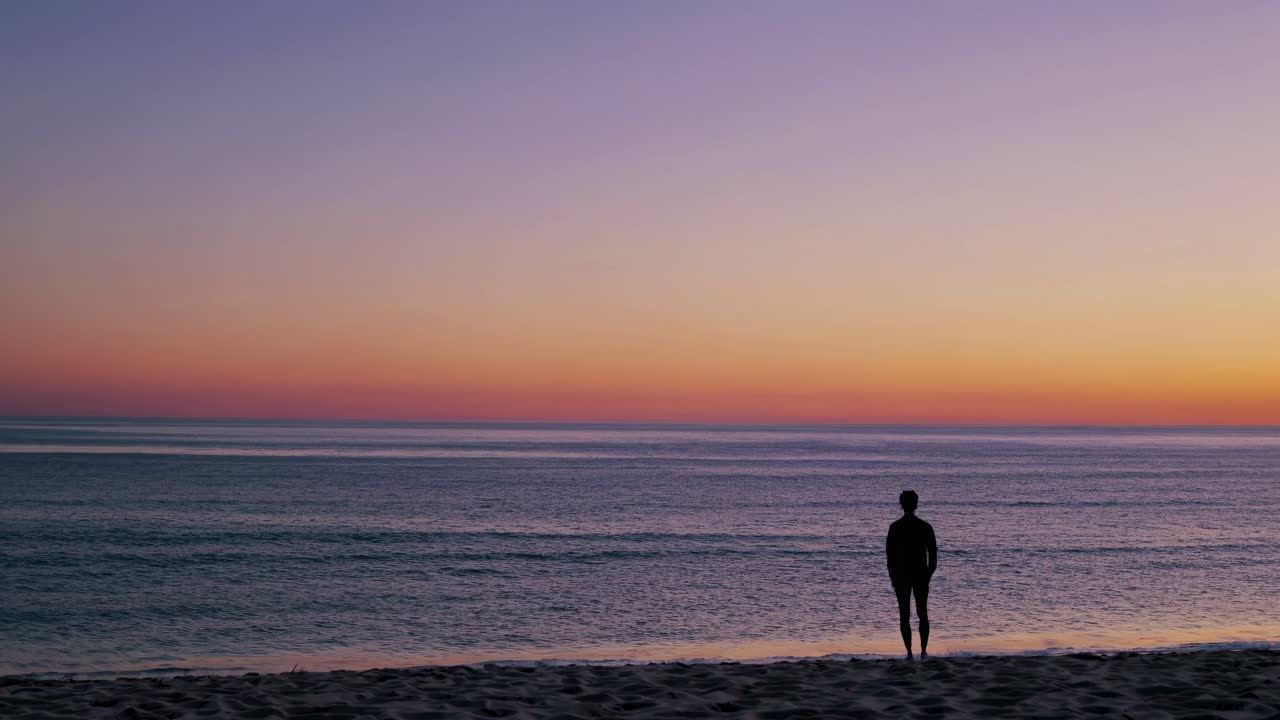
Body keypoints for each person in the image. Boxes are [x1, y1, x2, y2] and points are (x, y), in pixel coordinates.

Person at [885, 490, 937, 660]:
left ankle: (909, 653)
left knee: (904, 614)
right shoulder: (925, 527)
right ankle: (923, 651)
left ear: (901, 505)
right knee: (923, 613)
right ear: (916, 504)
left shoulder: (895, 527)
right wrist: (928, 575)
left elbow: (890, 556)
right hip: (921, 574)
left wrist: (893, 576)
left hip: (901, 576)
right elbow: (933, 557)